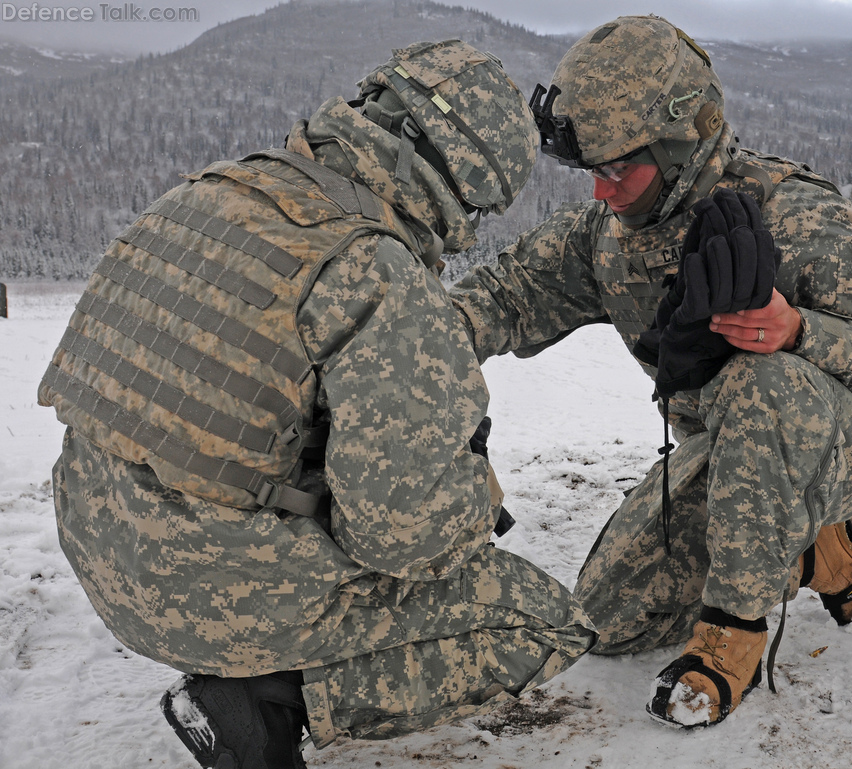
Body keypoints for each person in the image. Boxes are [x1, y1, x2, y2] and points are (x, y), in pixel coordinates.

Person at [38, 39, 594, 769]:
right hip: (199, 595)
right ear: (463, 183)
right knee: (544, 621)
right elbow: (403, 536)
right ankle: (268, 701)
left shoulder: (211, 190)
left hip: (92, 540)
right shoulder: (374, 269)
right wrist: (470, 498)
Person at [449, 15, 852, 728]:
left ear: (680, 140)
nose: (602, 191)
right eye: (593, 170)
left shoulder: (800, 224)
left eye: (621, 167)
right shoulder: (611, 238)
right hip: (730, 450)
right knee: (608, 618)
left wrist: (800, 330)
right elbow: (508, 292)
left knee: (762, 377)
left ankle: (731, 636)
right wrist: (407, 344)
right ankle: (814, 546)